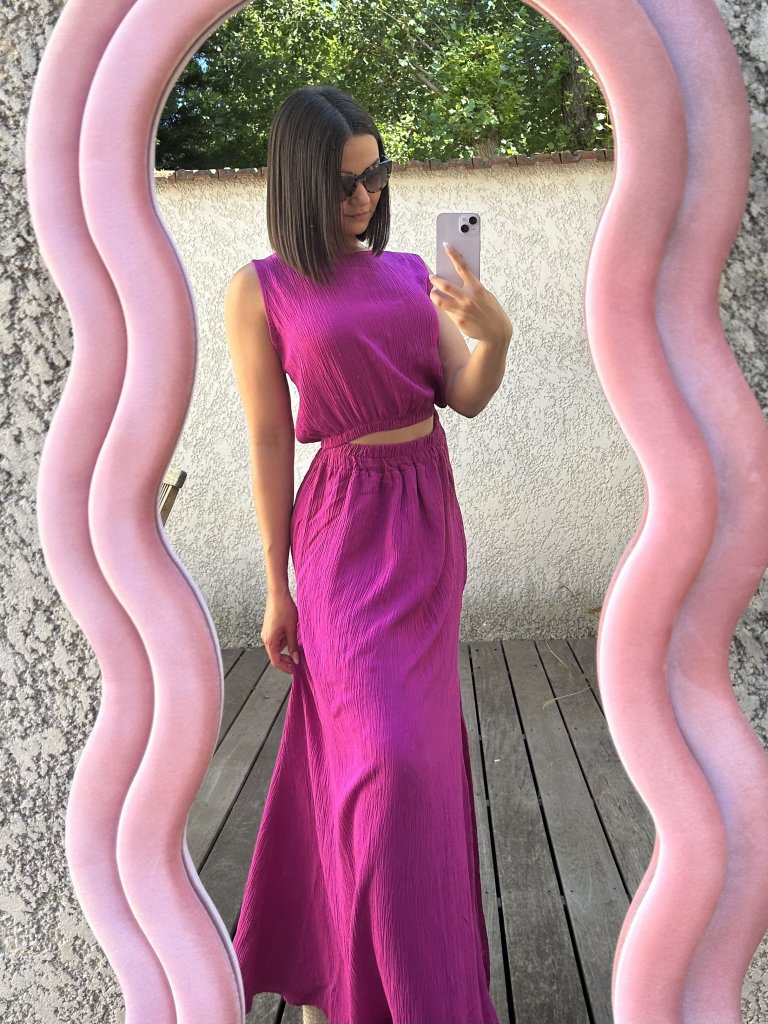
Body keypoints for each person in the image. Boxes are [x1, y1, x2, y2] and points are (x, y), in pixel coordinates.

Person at [224, 84, 512, 1024]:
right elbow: (271, 439)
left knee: (413, 766)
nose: (365, 196)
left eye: (375, 174)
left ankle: (410, 989)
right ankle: (356, 988)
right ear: (299, 182)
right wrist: (276, 584)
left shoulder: (410, 275)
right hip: (341, 530)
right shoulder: (260, 290)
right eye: (345, 181)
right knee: (378, 765)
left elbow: (464, 395)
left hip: (425, 519)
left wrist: (494, 338)